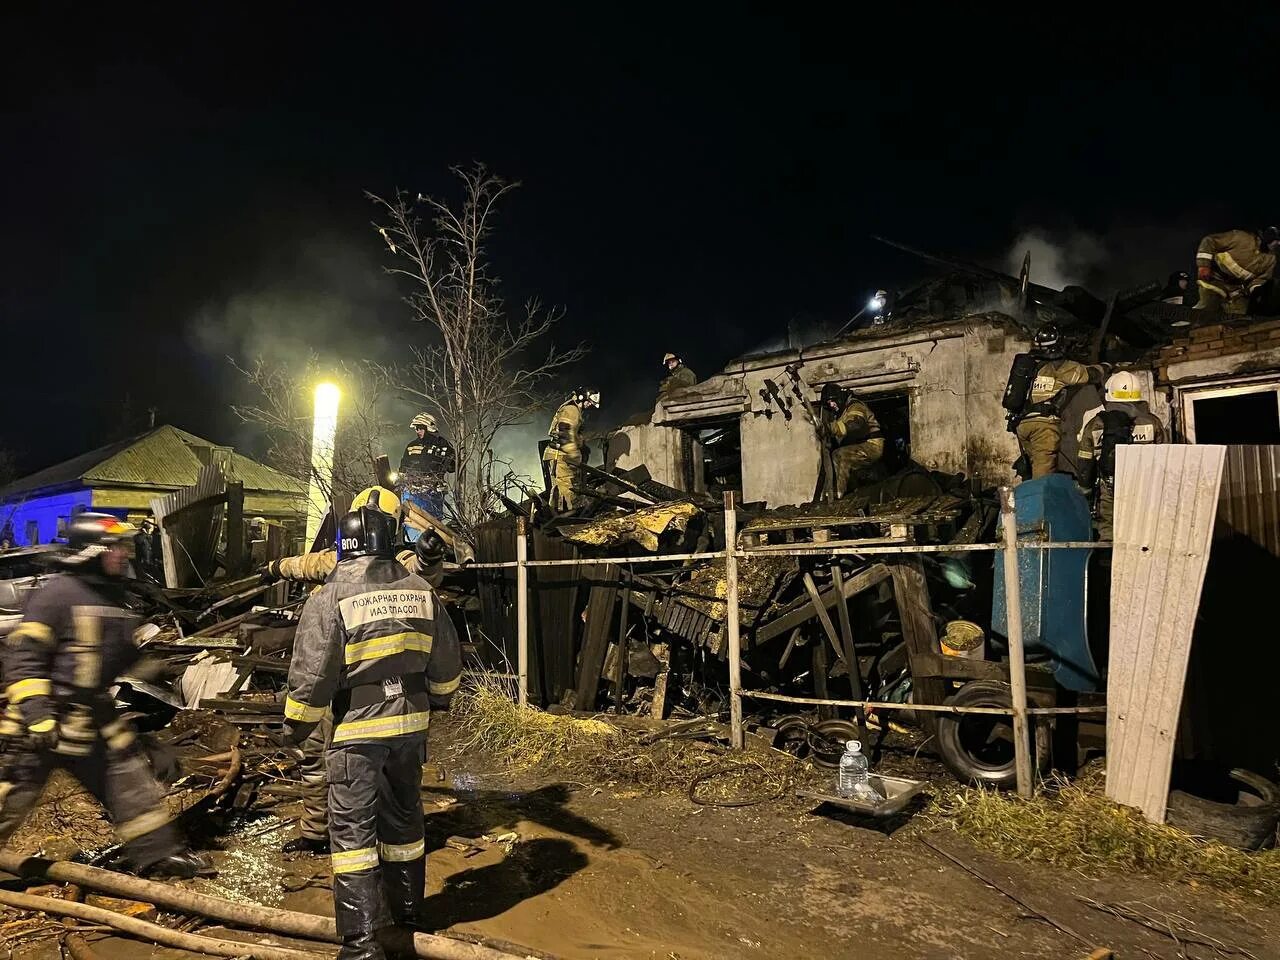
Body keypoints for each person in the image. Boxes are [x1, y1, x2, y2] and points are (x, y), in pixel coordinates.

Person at [282, 501, 461, 958]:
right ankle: (407, 913)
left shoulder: (331, 597)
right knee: (404, 819)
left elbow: (313, 673)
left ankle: (362, 942)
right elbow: (445, 665)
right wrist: (436, 699)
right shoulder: (420, 590)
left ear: (344, 547)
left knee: (353, 836)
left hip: (356, 732)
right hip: (410, 726)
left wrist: (295, 728)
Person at [0, 514, 212, 877]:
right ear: (92, 552)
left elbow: (124, 657)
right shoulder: (57, 595)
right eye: (116, 547)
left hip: (90, 719)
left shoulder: (113, 599)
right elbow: (24, 659)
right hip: (41, 726)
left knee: (128, 784)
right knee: (10, 798)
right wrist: (38, 715)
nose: (124, 554)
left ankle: (158, 855)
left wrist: (162, 678)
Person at [1077, 372, 1166, 540]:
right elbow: (1165, 456)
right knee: (1145, 531)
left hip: (1109, 487)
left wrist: (1086, 490)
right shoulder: (1152, 422)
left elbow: (1085, 461)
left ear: (1110, 393)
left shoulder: (1096, 424)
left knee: (1109, 531)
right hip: (1145, 488)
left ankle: (1109, 560)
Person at [1010, 324, 1106, 479]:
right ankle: (1040, 502)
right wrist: (1105, 367)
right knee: (1043, 479)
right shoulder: (1061, 367)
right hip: (1043, 427)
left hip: (1023, 424)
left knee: (1034, 470)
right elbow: (1091, 375)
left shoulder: (1030, 365)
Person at [1194, 227, 1279, 317]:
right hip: (1214, 279)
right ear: (1268, 238)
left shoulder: (1271, 259)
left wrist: (1257, 291)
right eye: (1277, 240)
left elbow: (1260, 279)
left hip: (1236, 289)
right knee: (1207, 309)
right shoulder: (1241, 237)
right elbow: (1209, 241)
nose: (1279, 243)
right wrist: (1204, 265)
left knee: (1241, 317)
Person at [819, 382, 884, 497]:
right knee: (835, 456)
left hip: (872, 445)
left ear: (839, 398)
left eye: (833, 401)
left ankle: (839, 495)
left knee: (841, 455)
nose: (832, 405)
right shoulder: (840, 413)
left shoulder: (855, 406)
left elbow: (856, 423)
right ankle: (847, 494)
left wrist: (832, 428)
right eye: (828, 403)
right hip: (859, 447)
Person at [542, 388, 599, 513]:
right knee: (567, 489)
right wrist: (574, 455)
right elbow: (565, 433)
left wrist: (582, 446)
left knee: (561, 488)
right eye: (589, 402)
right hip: (561, 456)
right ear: (582, 397)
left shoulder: (572, 409)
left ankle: (557, 515)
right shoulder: (571, 410)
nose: (589, 405)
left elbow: (572, 434)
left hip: (560, 455)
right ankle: (567, 517)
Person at [399, 413, 455, 520]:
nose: (417, 431)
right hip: (411, 491)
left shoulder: (442, 445)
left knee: (433, 523)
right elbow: (403, 467)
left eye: (420, 428)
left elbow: (452, 467)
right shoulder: (411, 446)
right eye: (416, 428)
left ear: (429, 427)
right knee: (411, 522)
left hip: (432, 493)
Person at [133, 516, 160, 582]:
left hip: (151, 560)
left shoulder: (151, 536)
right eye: (147, 527)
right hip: (144, 562)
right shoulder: (139, 536)